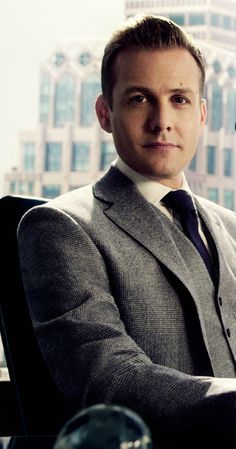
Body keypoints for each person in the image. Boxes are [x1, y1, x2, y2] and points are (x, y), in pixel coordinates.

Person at [17, 13, 236, 447]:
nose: (162, 121)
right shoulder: (60, 226)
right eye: (139, 99)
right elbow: (107, 376)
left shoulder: (231, 227)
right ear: (104, 112)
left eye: (179, 99)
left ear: (202, 113)